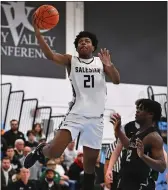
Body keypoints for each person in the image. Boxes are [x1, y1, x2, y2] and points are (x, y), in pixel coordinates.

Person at [24, 14, 120, 190]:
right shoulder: (71, 60)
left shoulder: (101, 63)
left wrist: (110, 65)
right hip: (76, 114)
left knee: (90, 165)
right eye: (80, 42)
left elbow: (116, 80)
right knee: (54, 152)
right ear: (77, 47)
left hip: (96, 119)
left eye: (87, 41)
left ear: (93, 46)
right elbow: (50, 55)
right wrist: (38, 33)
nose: (83, 43)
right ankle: (40, 150)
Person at [110, 99, 166, 190]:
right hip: (126, 181)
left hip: (140, 185)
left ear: (150, 114)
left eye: (141, 109)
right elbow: (130, 146)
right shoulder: (139, 131)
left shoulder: (154, 137)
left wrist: (143, 156)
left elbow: (162, 166)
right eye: (137, 108)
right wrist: (118, 131)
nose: (137, 111)